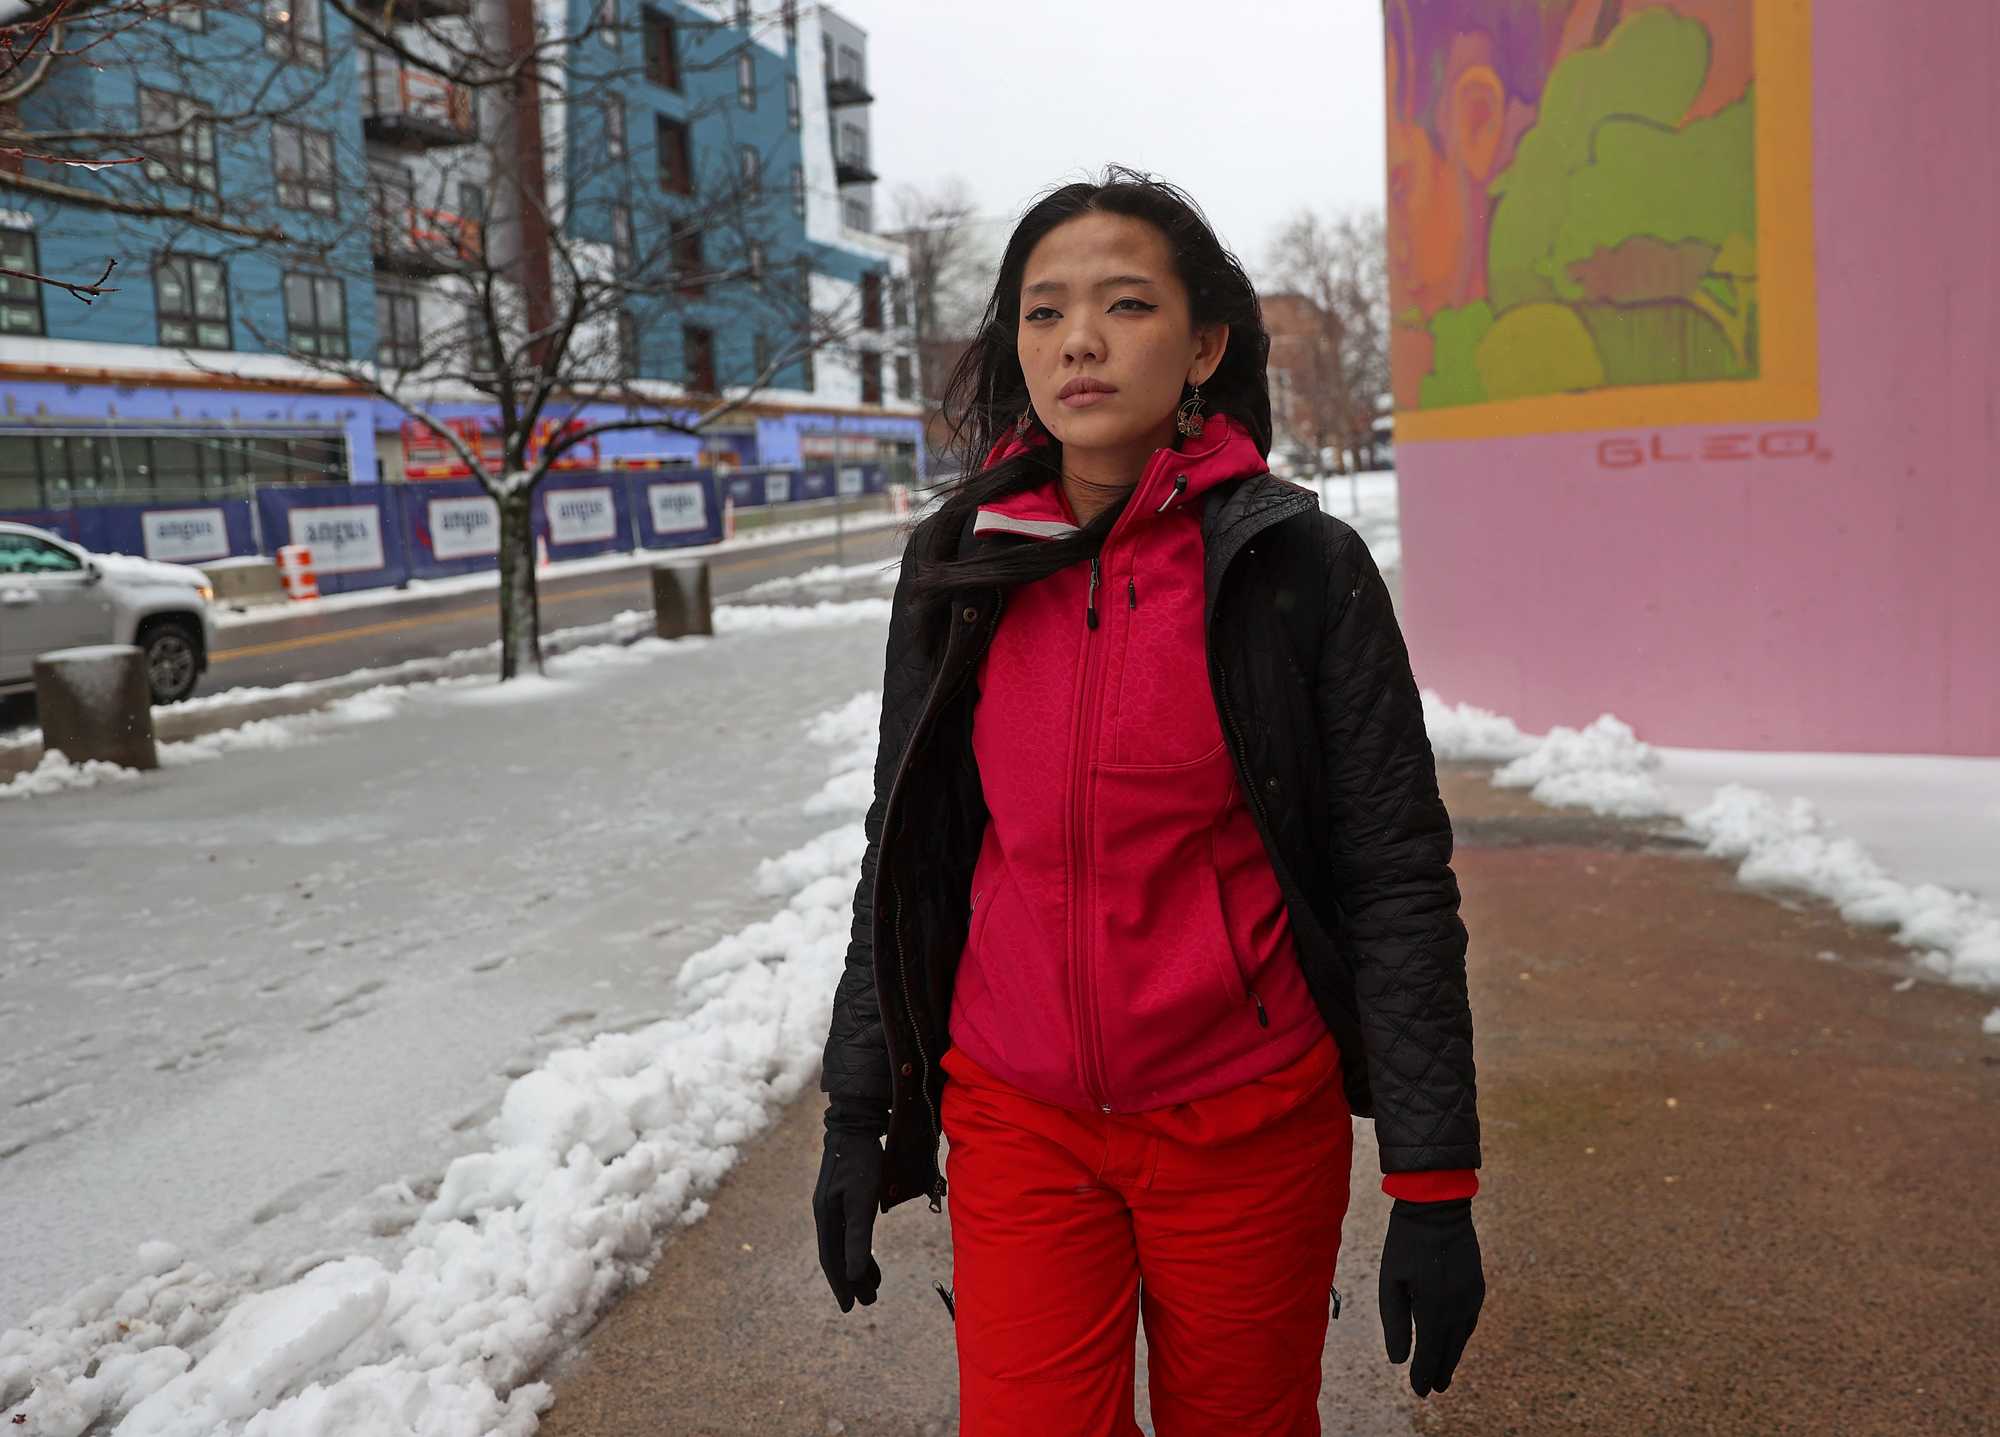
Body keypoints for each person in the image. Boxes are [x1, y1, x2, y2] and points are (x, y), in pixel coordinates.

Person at [812, 167, 1484, 1435]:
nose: (1077, 341)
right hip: (1018, 1118)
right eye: (1041, 310)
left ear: (1203, 345)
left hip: (1242, 1121)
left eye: (1124, 305)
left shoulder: (1294, 567)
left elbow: (1393, 870)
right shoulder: (959, 565)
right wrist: (860, 1111)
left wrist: (1432, 1180)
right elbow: (904, 854)